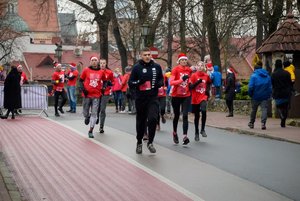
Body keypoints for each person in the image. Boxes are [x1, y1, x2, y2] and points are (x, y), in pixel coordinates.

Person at [128, 48, 163, 154]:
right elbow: (131, 83)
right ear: (141, 56)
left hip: (152, 98)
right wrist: (139, 82)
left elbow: (161, 79)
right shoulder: (136, 68)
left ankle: (150, 142)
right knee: (141, 122)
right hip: (141, 98)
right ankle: (139, 142)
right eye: (145, 55)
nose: (147, 56)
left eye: (149, 54)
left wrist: (159, 84)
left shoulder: (156, 67)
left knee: (153, 119)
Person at [169, 53, 192, 145]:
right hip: (176, 96)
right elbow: (171, 82)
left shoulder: (189, 70)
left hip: (186, 95)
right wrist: (182, 80)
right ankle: (174, 133)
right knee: (177, 115)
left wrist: (190, 82)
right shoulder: (175, 70)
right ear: (179, 61)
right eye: (182, 60)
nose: (184, 61)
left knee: (185, 115)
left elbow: (189, 81)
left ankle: (185, 136)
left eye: (185, 60)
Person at [79, 56, 105, 138]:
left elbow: (105, 81)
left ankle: (91, 130)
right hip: (87, 95)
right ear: (90, 62)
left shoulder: (101, 72)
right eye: (92, 60)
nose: (94, 62)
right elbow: (80, 80)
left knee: (94, 114)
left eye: (95, 60)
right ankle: (87, 116)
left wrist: (103, 88)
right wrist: (83, 89)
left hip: (96, 96)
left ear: (97, 62)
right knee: (85, 112)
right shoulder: (86, 70)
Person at [189, 62, 211, 141]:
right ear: (196, 67)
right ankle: (196, 133)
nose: (200, 67)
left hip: (203, 97)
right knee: (197, 116)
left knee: (204, 111)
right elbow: (191, 87)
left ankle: (202, 129)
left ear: (204, 67)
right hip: (195, 98)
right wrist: (198, 82)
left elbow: (209, 83)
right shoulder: (194, 75)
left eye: (202, 66)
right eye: (199, 65)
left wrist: (207, 92)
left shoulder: (206, 76)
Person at [247, 61, 272, 130]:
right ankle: (263, 123)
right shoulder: (267, 76)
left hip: (255, 96)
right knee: (264, 109)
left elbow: (251, 87)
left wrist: (250, 94)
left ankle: (251, 123)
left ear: (255, 69)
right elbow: (270, 87)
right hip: (264, 96)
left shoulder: (253, 76)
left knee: (254, 110)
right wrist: (269, 94)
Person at [271, 59, 293, 128]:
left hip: (277, 92)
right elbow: (290, 83)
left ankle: (282, 116)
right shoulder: (287, 73)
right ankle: (283, 121)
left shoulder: (273, 74)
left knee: (279, 106)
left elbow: (272, 84)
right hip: (286, 92)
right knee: (285, 107)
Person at [97, 58, 114, 133]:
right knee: (97, 109)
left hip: (105, 93)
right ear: (99, 64)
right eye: (101, 63)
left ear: (106, 64)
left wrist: (110, 84)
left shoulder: (109, 72)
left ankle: (101, 126)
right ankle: (96, 117)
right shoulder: (96, 71)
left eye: (104, 63)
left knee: (102, 109)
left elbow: (113, 81)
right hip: (96, 93)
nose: (102, 65)